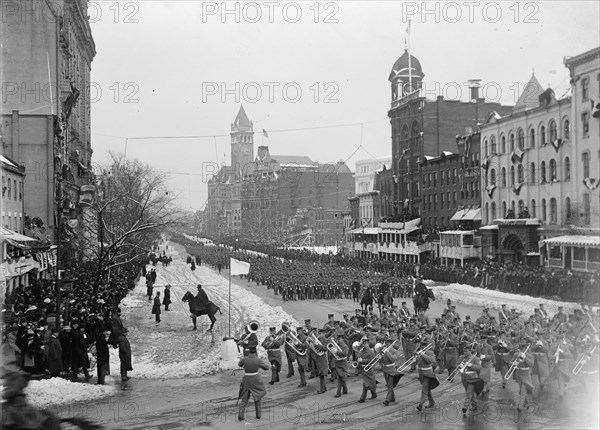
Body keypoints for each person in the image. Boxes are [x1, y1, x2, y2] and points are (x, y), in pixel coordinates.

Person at [237, 346, 270, 421]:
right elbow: (267, 367)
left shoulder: (245, 359)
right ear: (255, 352)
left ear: (249, 351)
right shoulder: (257, 360)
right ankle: (258, 415)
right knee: (257, 397)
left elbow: (239, 364)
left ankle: (240, 415)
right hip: (255, 379)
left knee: (244, 399)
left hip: (246, 379)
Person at [415, 336, 439, 411]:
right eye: (421, 346)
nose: (422, 348)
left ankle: (420, 405)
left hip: (428, 374)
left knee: (424, 389)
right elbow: (416, 360)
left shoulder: (430, 352)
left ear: (426, 346)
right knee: (427, 389)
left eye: (423, 346)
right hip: (421, 374)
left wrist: (423, 354)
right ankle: (431, 402)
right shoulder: (419, 353)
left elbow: (430, 361)